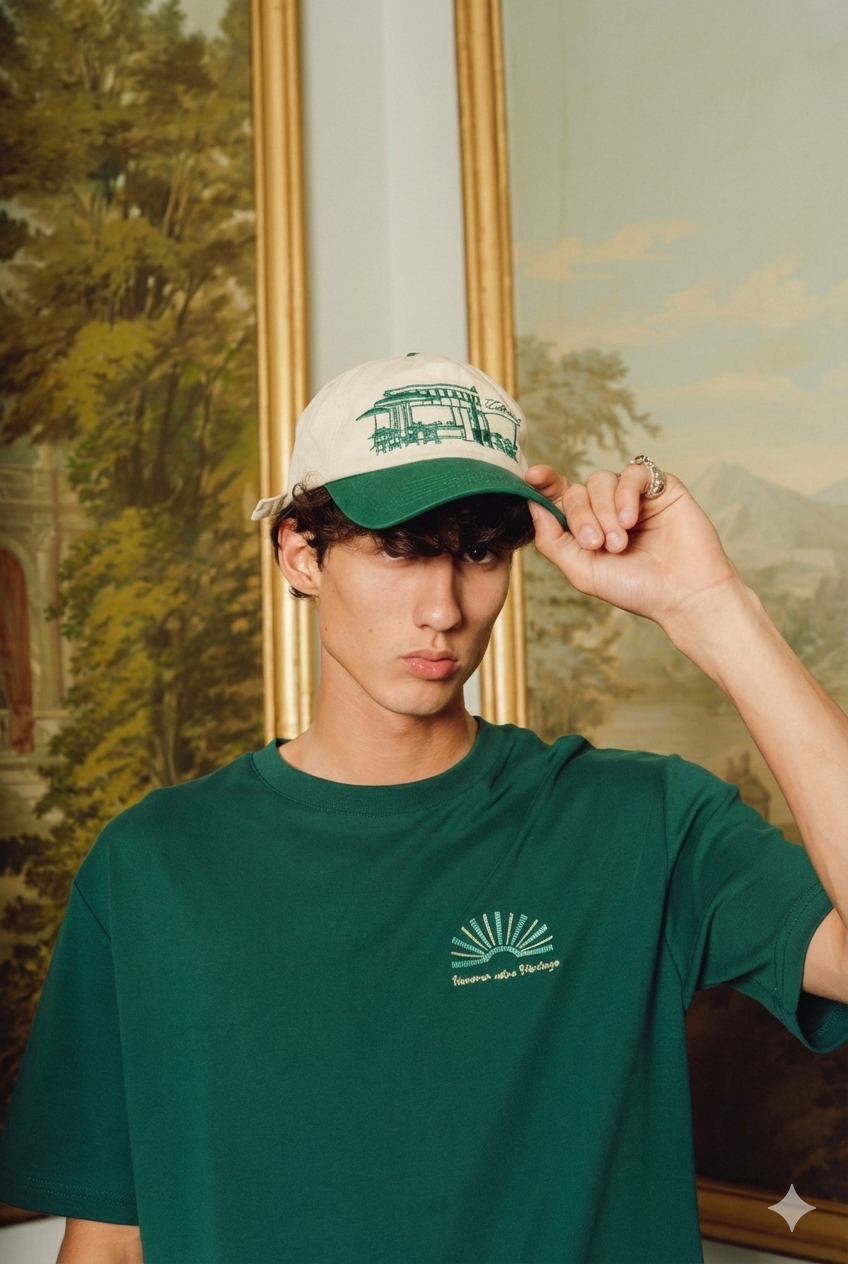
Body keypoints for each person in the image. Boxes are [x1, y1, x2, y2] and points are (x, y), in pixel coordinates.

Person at [0, 353, 845, 1264]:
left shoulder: (641, 820)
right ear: (301, 553)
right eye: (399, 548)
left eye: (478, 553)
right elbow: (112, 1243)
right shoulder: (151, 864)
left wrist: (714, 609)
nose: (442, 608)